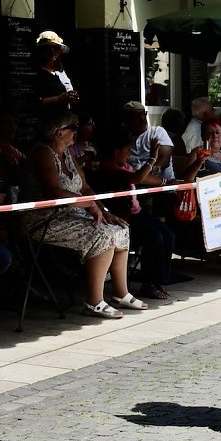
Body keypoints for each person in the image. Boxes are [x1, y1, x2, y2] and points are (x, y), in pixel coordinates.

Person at [22, 111, 148, 319]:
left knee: (120, 228)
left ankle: (120, 293)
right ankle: (94, 301)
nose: (77, 132)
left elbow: (86, 187)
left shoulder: (67, 153)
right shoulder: (43, 153)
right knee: (102, 235)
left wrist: (103, 211)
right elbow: (54, 192)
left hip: (71, 213)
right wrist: (89, 205)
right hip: (44, 219)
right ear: (59, 132)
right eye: (73, 129)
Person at [93, 133, 175, 300]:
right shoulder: (107, 168)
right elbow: (136, 178)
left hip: (137, 212)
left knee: (168, 235)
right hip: (124, 216)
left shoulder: (124, 165)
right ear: (116, 152)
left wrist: (167, 183)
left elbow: (143, 177)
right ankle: (148, 284)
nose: (129, 153)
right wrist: (153, 158)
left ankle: (159, 279)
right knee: (155, 238)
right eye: (127, 150)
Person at [34, 31, 79, 118]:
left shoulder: (60, 71)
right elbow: (33, 102)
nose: (52, 51)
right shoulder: (36, 73)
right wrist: (58, 99)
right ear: (41, 51)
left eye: (56, 48)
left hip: (65, 117)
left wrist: (71, 96)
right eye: (48, 48)